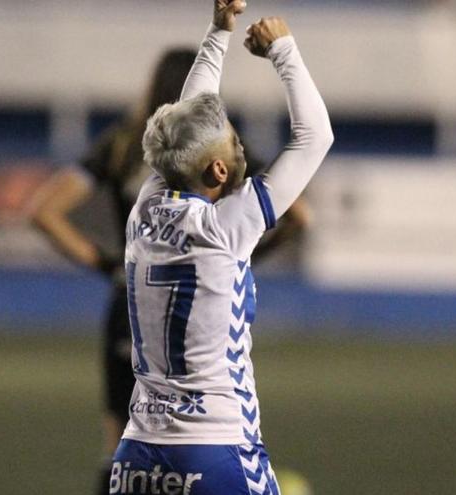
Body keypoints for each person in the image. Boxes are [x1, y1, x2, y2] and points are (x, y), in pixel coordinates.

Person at [30, 27, 310, 495]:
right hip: (211, 409)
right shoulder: (218, 148)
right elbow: (300, 207)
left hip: (133, 306)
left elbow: (43, 209)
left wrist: (106, 263)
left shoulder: (126, 150)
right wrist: (237, 257)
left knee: (117, 434)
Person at [109, 0, 333, 493]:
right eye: (233, 140)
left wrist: (218, 32)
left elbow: (190, 117)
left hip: (136, 457)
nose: (242, 148)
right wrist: (283, 50)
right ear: (216, 171)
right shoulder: (228, 225)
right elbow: (315, 136)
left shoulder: (144, 205)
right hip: (215, 451)